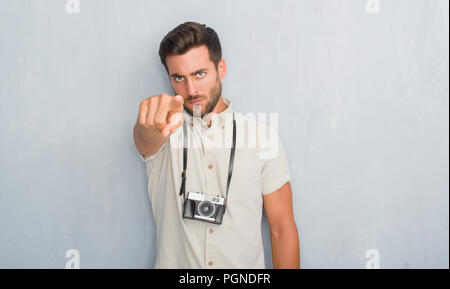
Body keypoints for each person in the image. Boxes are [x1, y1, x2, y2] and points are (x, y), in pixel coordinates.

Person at [133, 21, 300, 269]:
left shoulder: (262, 138)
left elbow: (281, 229)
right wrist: (146, 128)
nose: (191, 90)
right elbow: (145, 138)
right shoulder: (165, 131)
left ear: (220, 68)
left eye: (200, 74)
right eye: (179, 78)